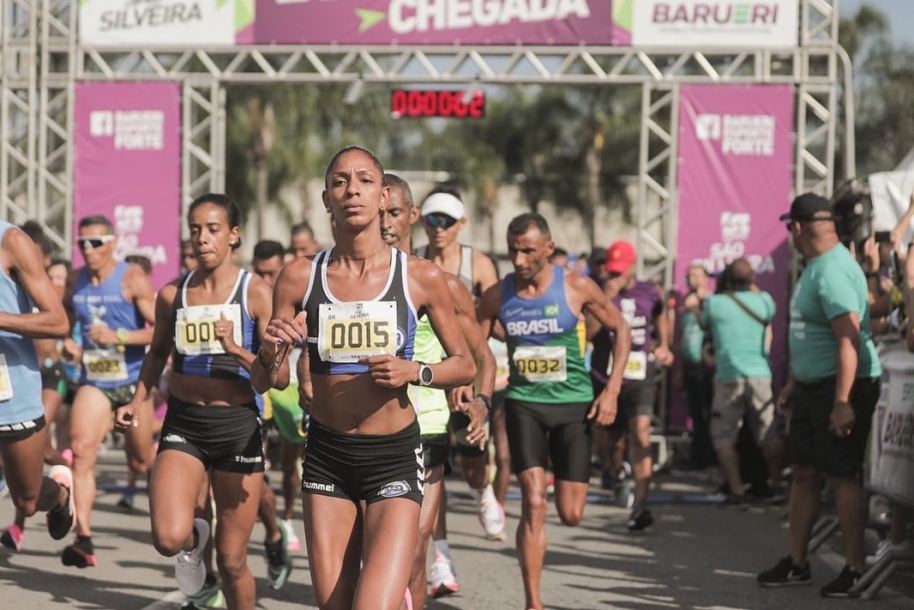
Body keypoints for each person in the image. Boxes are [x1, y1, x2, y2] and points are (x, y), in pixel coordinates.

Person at [252, 145, 477, 610]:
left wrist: (416, 370)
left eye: (364, 180)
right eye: (339, 181)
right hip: (327, 455)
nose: (351, 189)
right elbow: (264, 382)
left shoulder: (420, 277)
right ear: (326, 199)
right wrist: (274, 348)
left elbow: (465, 364)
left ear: (383, 196)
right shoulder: (299, 277)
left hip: (393, 457)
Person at [115, 194, 273, 609]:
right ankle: (193, 537)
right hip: (184, 424)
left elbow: (275, 377)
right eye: (196, 230)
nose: (202, 238)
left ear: (234, 235)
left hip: (237, 428)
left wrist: (235, 348)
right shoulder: (173, 294)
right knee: (168, 539)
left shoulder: (255, 292)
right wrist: (137, 399)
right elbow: (155, 353)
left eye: (213, 229)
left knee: (233, 559)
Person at [476, 213, 631, 610]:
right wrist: (473, 385)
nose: (519, 258)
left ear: (548, 248)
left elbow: (621, 329)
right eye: (513, 250)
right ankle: (534, 603)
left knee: (571, 513)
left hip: (573, 407)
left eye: (528, 250)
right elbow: (473, 333)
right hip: (525, 404)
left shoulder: (576, 286)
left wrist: (611, 390)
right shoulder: (499, 294)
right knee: (533, 499)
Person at [757, 193, 881, 597]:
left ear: (795, 227)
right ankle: (797, 563)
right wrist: (796, 381)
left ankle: (856, 567)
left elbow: (848, 341)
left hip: (841, 387)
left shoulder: (832, 271)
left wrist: (843, 402)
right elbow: (811, 335)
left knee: (842, 475)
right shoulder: (816, 267)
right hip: (814, 387)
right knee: (805, 473)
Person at [381, 173, 493, 606]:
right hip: (361, 429)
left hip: (425, 425)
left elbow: (482, 358)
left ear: (412, 217)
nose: (386, 223)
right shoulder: (345, 284)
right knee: (371, 553)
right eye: (379, 213)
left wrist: (478, 401)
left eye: (394, 213)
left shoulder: (444, 284)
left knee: (413, 546)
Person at [415, 186, 507, 564]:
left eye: (446, 221)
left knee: (471, 459)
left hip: (464, 371)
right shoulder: (413, 261)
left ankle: (482, 490)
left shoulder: (477, 264)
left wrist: (469, 373)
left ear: (462, 224)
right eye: (431, 220)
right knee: (431, 472)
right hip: (425, 374)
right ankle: (440, 555)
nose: (438, 228)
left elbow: (485, 319)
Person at [60, 215, 157, 568]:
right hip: (96, 382)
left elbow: (159, 331)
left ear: (113, 243)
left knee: (141, 460)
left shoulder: (131, 278)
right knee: (82, 449)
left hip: (133, 384)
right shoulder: (75, 282)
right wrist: (69, 341)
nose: (87, 250)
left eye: (95, 242)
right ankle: (83, 538)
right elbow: (64, 323)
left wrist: (118, 337)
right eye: (82, 243)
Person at [0, 220, 75, 555]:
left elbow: (58, 321)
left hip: (12, 392)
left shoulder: (12, 241)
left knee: (27, 500)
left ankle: (59, 497)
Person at [588, 240, 673, 530]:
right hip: (605, 377)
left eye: (620, 272)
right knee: (613, 440)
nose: (615, 277)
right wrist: (605, 299)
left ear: (633, 267)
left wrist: (663, 344)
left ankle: (641, 502)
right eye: (611, 272)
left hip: (640, 375)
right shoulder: (597, 290)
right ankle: (618, 474)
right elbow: (587, 333)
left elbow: (661, 314)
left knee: (641, 434)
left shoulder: (649, 291)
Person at [700, 258, 782, 505]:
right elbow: (766, 309)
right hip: (760, 375)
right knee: (768, 434)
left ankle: (737, 490)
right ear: (752, 279)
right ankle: (776, 484)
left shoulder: (714, 304)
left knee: (723, 436)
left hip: (727, 376)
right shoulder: (765, 301)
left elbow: (705, 324)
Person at [252, 238, 306, 555]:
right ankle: (281, 521)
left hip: (302, 386)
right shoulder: (253, 295)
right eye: (261, 273)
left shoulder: (297, 292)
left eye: (273, 273)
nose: (267, 281)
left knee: (303, 460)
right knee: (285, 462)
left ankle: (290, 517)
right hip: (270, 386)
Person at [680, 262, 715, 470]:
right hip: (689, 364)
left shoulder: (711, 301)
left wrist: (698, 307)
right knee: (695, 412)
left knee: (707, 411)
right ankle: (697, 453)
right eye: (689, 275)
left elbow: (711, 327)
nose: (693, 279)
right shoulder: (686, 302)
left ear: (706, 277)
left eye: (697, 275)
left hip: (706, 366)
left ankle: (707, 455)